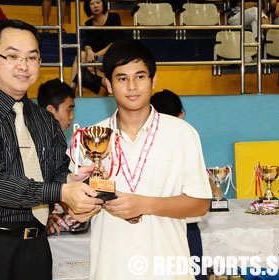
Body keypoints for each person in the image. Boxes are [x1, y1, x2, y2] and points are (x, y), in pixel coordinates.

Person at [0, 19, 102, 280]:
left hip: (36, 247)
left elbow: (55, 174)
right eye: (12, 56)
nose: (23, 66)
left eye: (32, 57)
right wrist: (62, 190)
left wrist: (74, 183)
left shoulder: (45, 120)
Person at [75, 39, 212, 279]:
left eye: (140, 76)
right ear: (108, 84)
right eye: (121, 78)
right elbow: (73, 207)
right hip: (111, 269)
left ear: (153, 80)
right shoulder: (89, 139)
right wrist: (79, 208)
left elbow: (200, 204)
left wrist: (144, 204)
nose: (132, 86)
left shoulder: (182, 134)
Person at [150, 89, 207, 280]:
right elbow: (200, 201)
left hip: (151, 227)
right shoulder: (187, 139)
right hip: (184, 227)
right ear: (181, 115)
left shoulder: (139, 144)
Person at [37, 78, 83, 235]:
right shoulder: (33, 144)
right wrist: (42, 219)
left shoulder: (55, 143)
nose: (72, 117)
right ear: (50, 110)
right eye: (69, 110)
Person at [70, 0, 124, 94]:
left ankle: (111, 87)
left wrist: (96, 54)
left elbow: (116, 41)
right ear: (88, 7)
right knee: (80, 57)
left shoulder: (114, 17)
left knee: (89, 68)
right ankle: (71, 91)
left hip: (114, 54)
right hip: (97, 57)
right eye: (91, 4)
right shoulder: (89, 23)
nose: (95, 6)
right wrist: (89, 50)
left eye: (98, 2)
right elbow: (87, 43)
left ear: (103, 4)